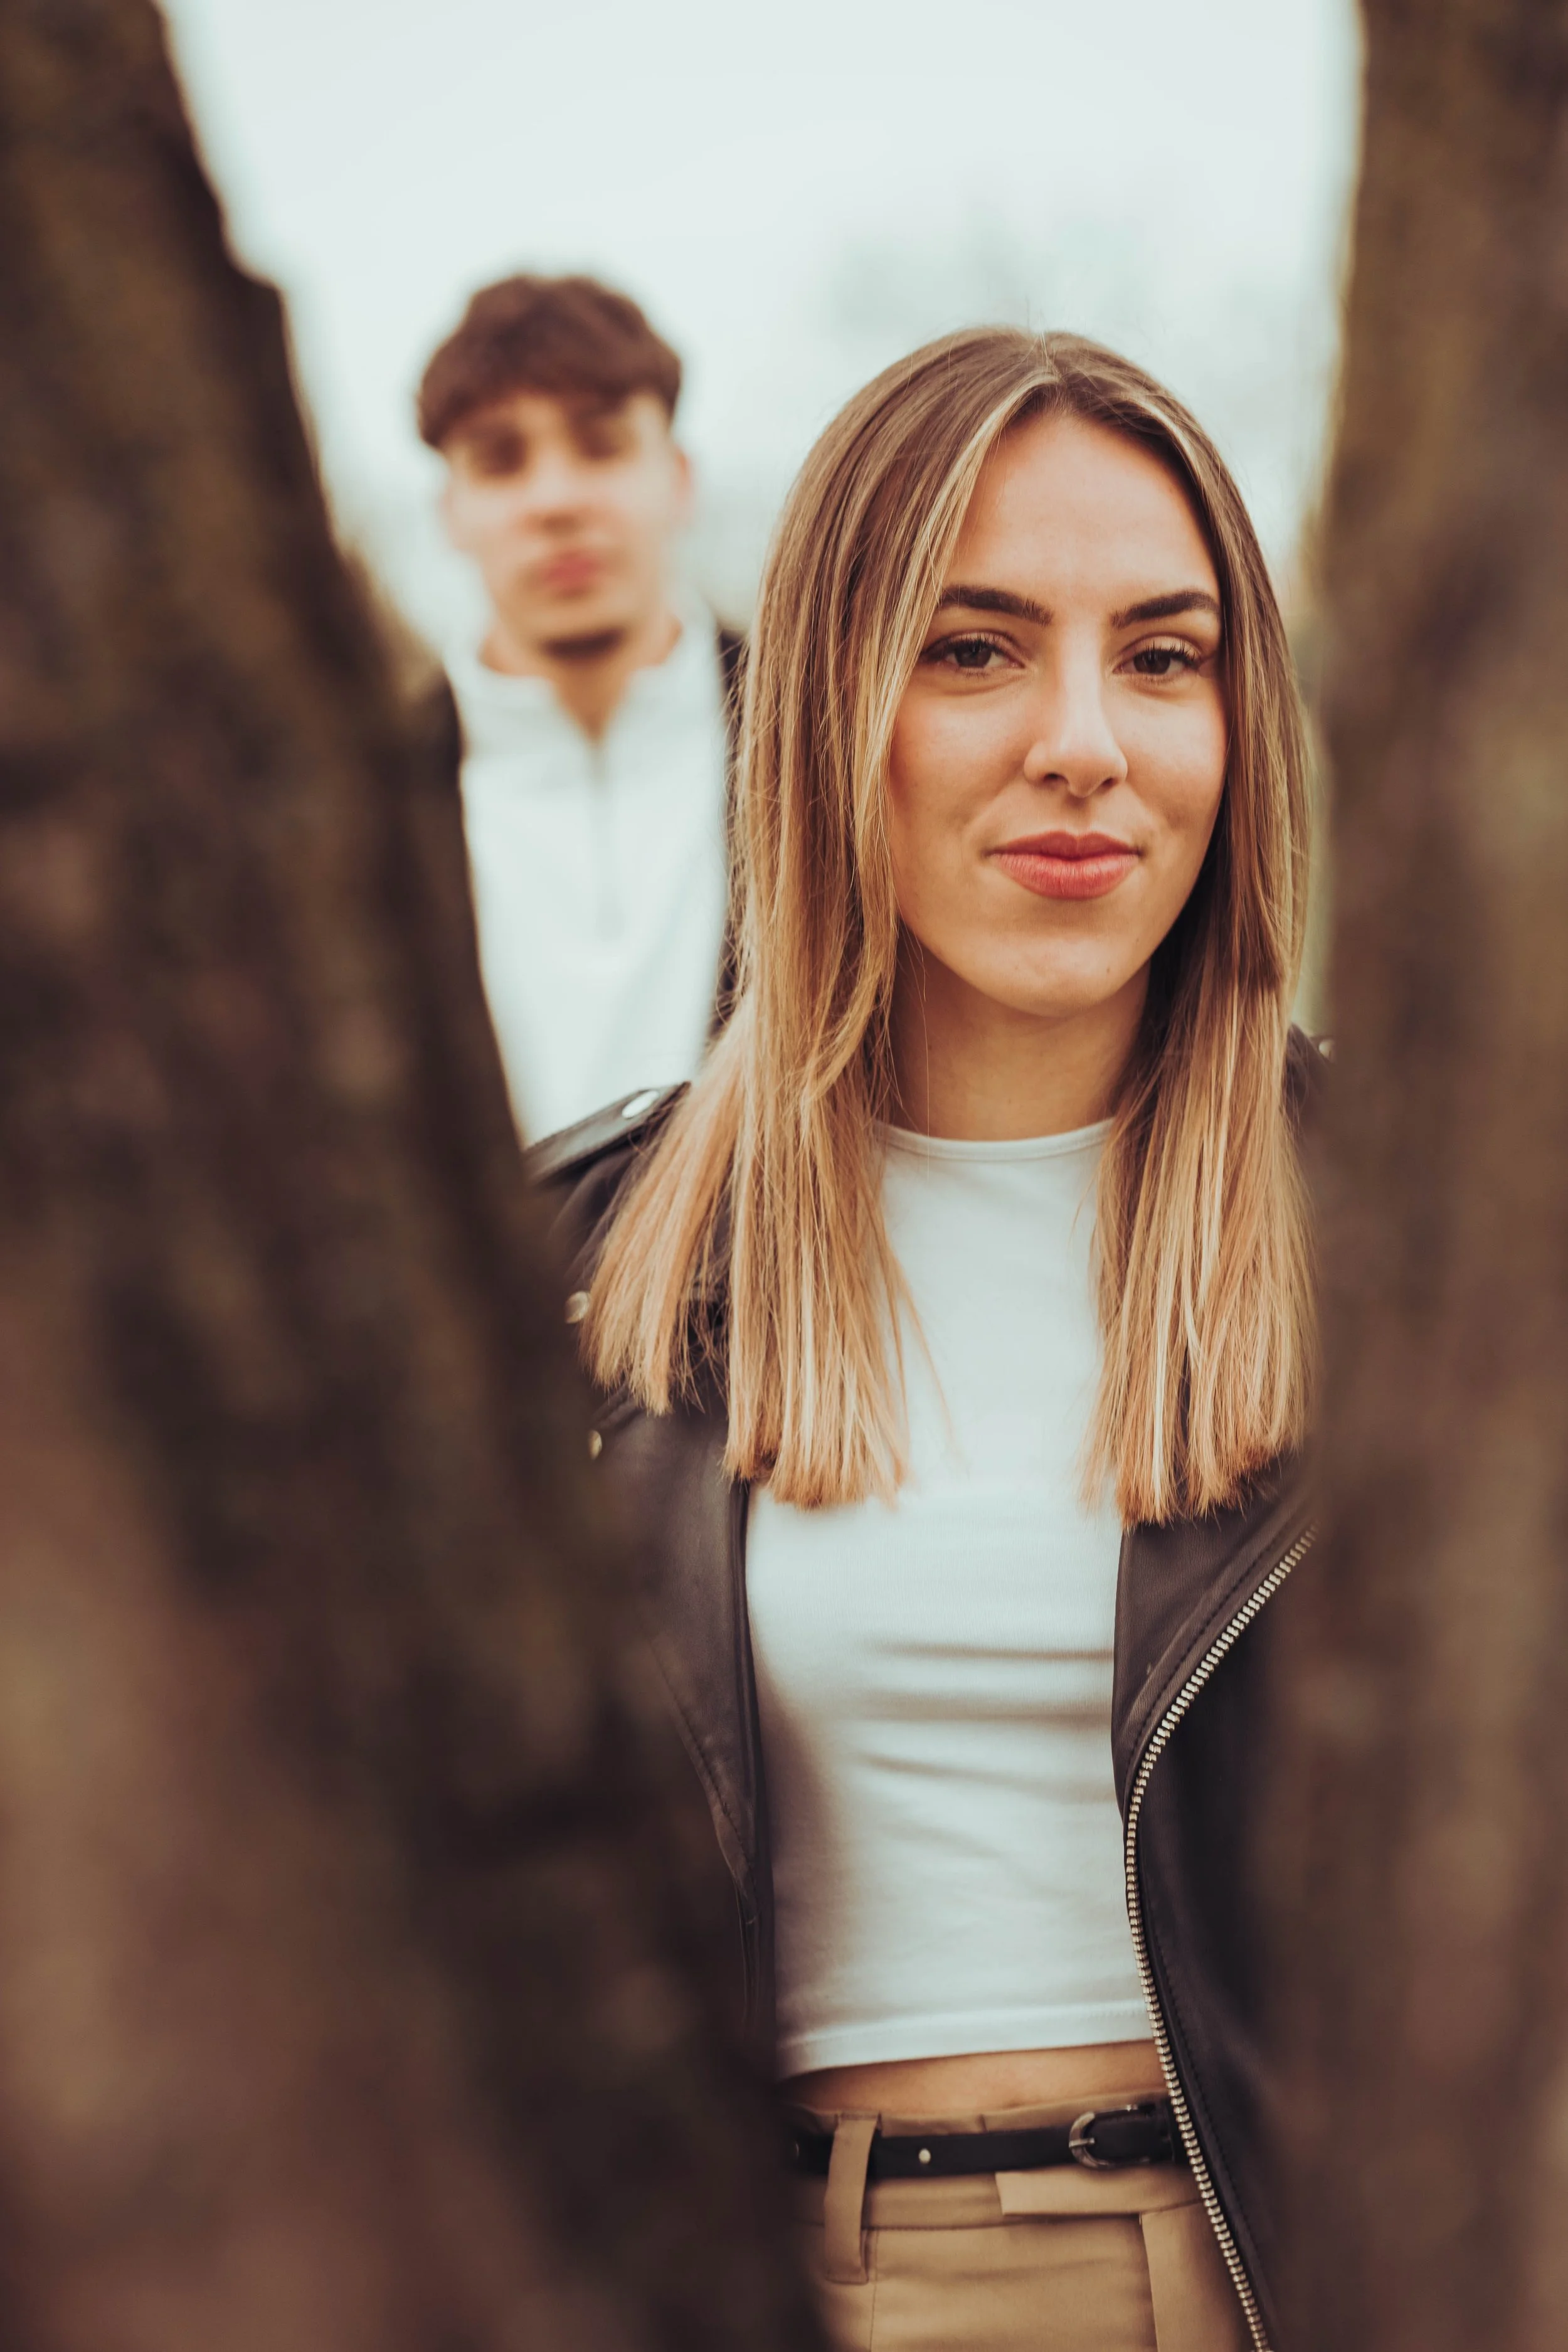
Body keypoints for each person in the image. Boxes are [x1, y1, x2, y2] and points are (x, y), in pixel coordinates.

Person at [531, 331, 1320, 2351]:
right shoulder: (586, 1262)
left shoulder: (1426, 1246)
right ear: (823, 707)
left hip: (1282, 2280)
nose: (1085, 741)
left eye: (1161, 655)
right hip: (762, 2280)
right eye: (973, 649)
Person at [416, 273, 741, 1140]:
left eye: (600, 446)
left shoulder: (829, 738)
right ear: (450, 511)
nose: (555, 501)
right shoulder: (359, 800)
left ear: (678, 478)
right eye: (500, 459)